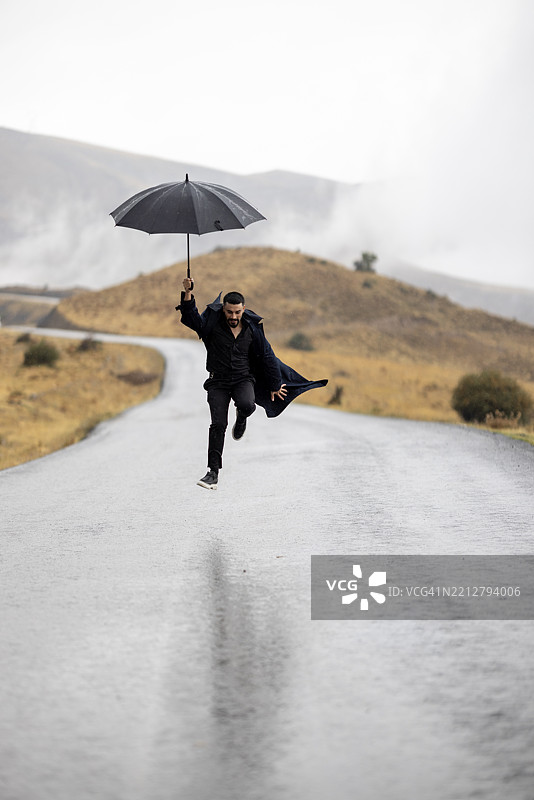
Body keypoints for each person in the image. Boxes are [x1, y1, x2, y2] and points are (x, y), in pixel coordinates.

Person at [176, 276, 327, 490]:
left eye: (237, 312)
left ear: (243, 309)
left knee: (247, 404)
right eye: (229, 312)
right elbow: (191, 318)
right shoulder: (211, 324)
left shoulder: (251, 329)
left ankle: (242, 416)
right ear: (223, 310)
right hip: (217, 381)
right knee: (218, 424)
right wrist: (188, 293)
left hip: (243, 379)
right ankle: (213, 472)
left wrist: (275, 385)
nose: (233, 316)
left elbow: (267, 356)